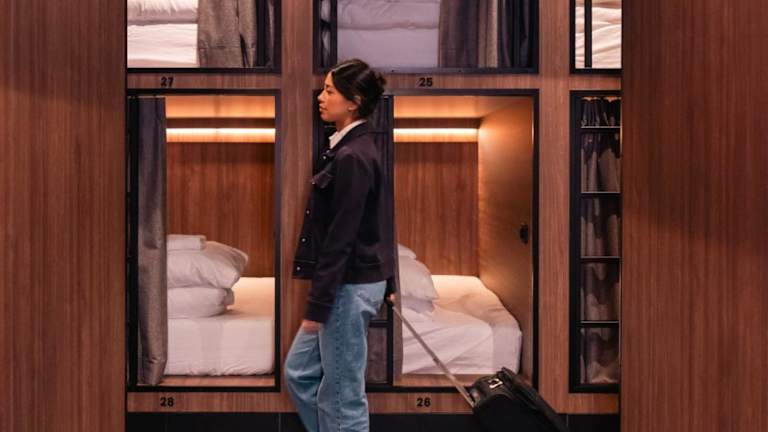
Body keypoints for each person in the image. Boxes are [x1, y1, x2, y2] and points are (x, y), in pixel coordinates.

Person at [285, 58, 396, 432]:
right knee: (299, 373)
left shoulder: (354, 155)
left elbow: (342, 237)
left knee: (343, 398)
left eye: (329, 91)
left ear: (353, 101)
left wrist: (318, 305)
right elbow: (379, 219)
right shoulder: (348, 149)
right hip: (347, 285)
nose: (320, 97)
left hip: (347, 288)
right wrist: (389, 280)